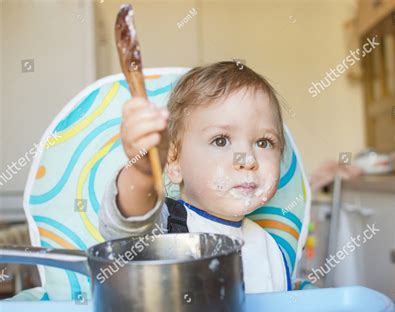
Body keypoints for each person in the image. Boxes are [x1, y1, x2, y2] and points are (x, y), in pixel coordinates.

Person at [99, 61, 291, 293]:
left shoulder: (270, 249)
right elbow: (126, 228)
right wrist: (143, 171)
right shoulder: (165, 226)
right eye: (220, 140)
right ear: (174, 162)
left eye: (264, 142)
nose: (247, 160)